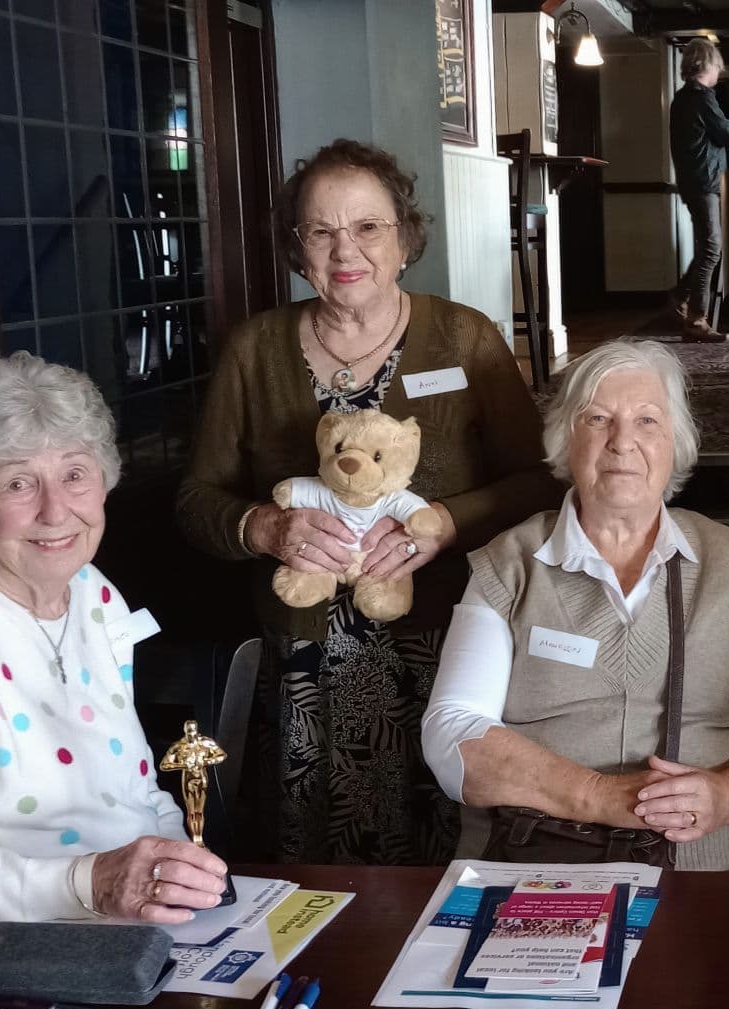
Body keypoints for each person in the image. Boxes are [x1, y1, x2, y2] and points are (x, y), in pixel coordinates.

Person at [175, 139, 560, 866]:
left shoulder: (464, 337)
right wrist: (261, 526)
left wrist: (446, 523)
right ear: (297, 247)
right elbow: (196, 500)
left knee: (449, 845)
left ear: (404, 237)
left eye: (367, 227)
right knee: (316, 855)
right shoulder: (254, 351)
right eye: (320, 231)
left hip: (445, 643)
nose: (343, 249)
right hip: (304, 662)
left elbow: (542, 481)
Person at [421, 340, 729, 871]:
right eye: (598, 418)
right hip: (532, 860)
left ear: (675, 445)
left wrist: (725, 797)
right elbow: (452, 730)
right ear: (565, 440)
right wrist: (598, 796)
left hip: (700, 867)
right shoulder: (509, 565)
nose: (622, 442)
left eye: (647, 421)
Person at [0, 354, 228, 933]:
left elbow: (133, 790)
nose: (56, 511)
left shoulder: (92, 593)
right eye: (17, 483)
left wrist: (183, 874)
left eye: (75, 473)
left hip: (133, 928)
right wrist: (85, 883)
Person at [668, 38, 729, 345]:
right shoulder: (701, 97)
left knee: (707, 247)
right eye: (716, 66)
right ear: (706, 64)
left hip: (693, 182)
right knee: (712, 248)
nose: (718, 73)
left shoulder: (682, 98)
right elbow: (728, 135)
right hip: (705, 183)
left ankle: (681, 296)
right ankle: (696, 320)